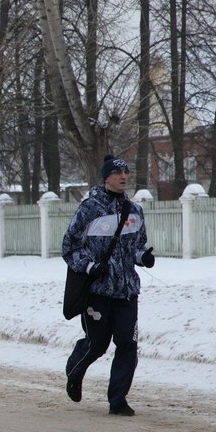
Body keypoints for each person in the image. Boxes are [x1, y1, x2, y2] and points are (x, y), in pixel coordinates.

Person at [62, 154, 155, 416]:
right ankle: (75, 370)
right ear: (106, 177)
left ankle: (118, 400)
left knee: (127, 344)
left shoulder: (135, 210)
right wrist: (91, 266)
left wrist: (142, 257)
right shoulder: (89, 209)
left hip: (127, 292)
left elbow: (136, 246)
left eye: (126, 172)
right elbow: (69, 248)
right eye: (118, 173)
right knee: (97, 344)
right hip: (97, 292)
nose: (124, 177)